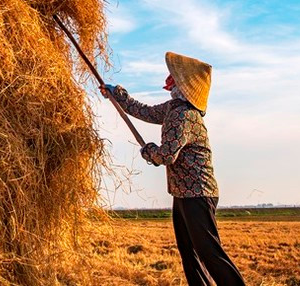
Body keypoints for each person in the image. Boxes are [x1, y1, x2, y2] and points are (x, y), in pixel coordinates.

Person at [101, 52, 245, 286]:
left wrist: (148, 151)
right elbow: (145, 111)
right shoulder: (174, 109)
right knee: (190, 252)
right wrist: (118, 96)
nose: (170, 79)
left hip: (197, 193)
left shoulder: (182, 115)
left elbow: (167, 155)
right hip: (185, 193)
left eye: (174, 77)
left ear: (183, 85)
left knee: (209, 252)